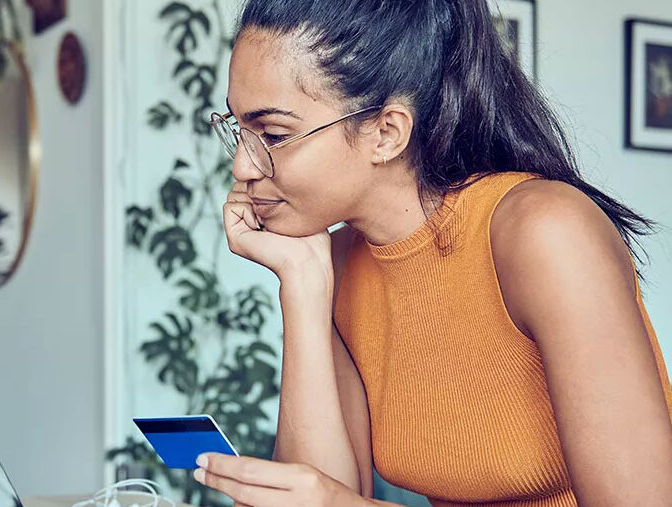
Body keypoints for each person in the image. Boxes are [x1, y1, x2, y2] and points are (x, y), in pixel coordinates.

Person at [190, 1, 672, 506]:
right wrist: (303, 282)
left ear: (386, 133)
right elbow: (316, 495)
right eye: (238, 131)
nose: (242, 167)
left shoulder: (545, 232)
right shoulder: (337, 263)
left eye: (273, 135)